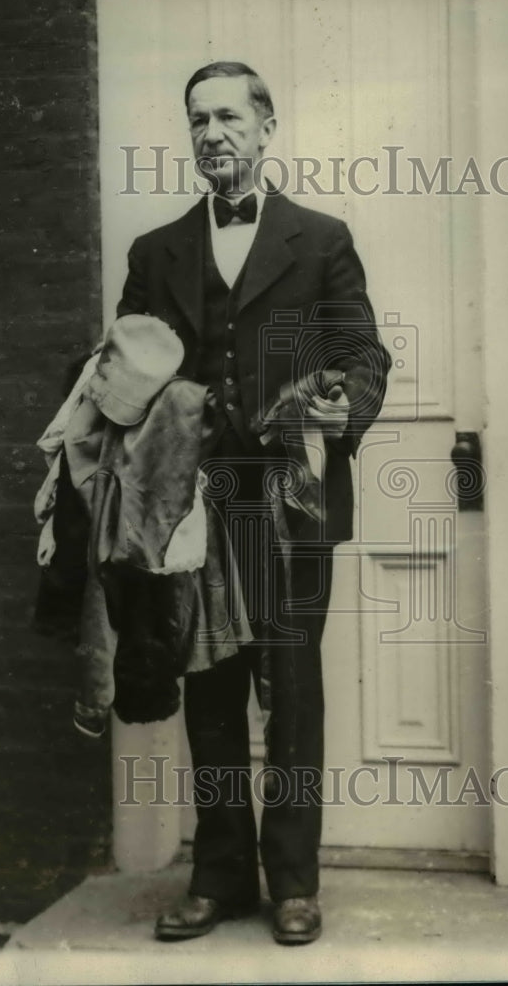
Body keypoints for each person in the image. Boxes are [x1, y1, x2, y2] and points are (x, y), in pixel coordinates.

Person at [116, 61, 391, 945]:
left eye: (229, 117)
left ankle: (297, 883)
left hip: (293, 497)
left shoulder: (319, 237)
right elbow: (118, 368)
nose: (212, 135)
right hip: (194, 505)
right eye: (197, 120)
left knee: (295, 690)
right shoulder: (154, 252)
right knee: (211, 689)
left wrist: (346, 397)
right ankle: (221, 875)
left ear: (265, 127)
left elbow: (362, 352)